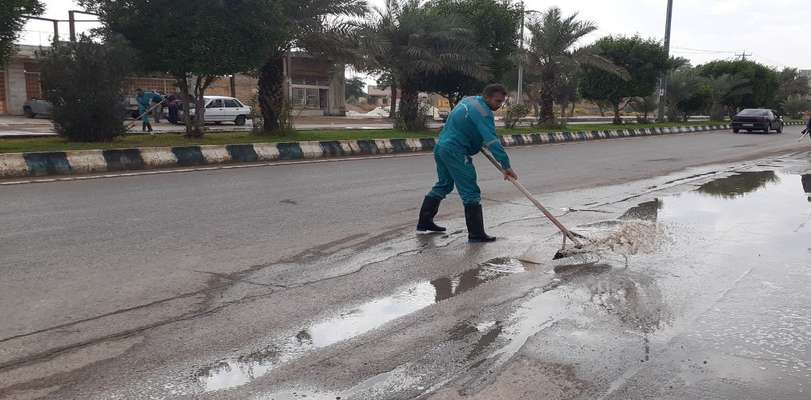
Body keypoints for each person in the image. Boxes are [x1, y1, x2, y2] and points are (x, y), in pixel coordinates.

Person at [416, 83, 517, 242]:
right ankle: (476, 234)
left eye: (502, 102)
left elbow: (465, 124)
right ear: (487, 97)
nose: (499, 105)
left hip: (442, 146)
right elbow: (492, 141)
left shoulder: (468, 100)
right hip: (455, 151)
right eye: (497, 101)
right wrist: (506, 166)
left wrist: (475, 139)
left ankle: (424, 223)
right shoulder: (484, 112)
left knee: (444, 184)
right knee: (470, 191)